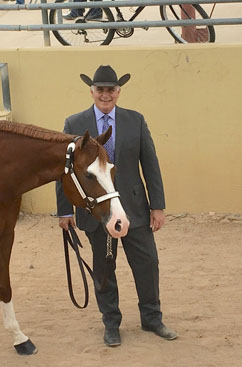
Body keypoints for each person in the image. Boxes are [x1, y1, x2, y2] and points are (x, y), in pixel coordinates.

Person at [56, 65, 178, 347]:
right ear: (91, 92)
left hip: (133, 208)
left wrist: (157, 206)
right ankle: (111, 323)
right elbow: (65, 172)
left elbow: (150, 163)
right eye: (100, 89)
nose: (105, 95)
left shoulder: (135, 120)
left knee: (147, 263)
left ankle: (152, 318)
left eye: (110, 90)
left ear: (118, 92)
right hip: (96, 211)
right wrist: (64, 210)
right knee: (104, 268)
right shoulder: (74, 123)